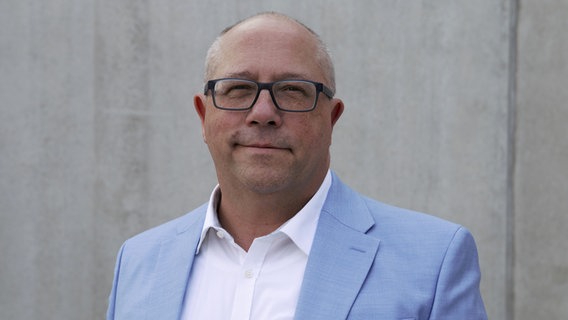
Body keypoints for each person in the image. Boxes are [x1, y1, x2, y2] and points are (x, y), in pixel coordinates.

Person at [106, 12, 487, 320]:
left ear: (332, 119)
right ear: (203, 116)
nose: (263, 113)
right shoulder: (139, 261)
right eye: (238, 88)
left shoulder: (433, 263)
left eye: (293, 90)